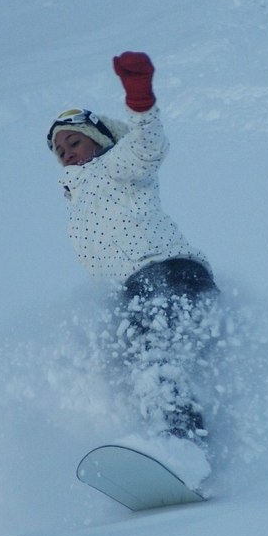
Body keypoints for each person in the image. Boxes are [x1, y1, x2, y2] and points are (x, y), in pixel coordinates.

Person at [47, 52, 219, 442]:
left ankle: (180, 445)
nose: (67, 153)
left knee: (152, 355)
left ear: (98, 138)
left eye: (73, 141)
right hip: (134, 290)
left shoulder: (116, 165)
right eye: (59, 152)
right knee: (130, 363)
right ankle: (173, 440)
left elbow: (148, 146)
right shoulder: (79, 204)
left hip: (167, 273)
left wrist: (139, 97)